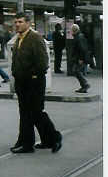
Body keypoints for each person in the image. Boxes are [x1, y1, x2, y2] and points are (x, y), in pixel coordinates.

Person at [10, 13, 61, 154]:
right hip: (21, 81)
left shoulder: (35, 38)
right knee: (25, 113)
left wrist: (32, 75)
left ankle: (52, 138)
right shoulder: (19, 38)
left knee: (35, 112)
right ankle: (29, 141)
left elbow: (43, 63)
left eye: (20, 22)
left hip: (33, 82)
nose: (17, 24)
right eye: (16, 22)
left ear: (28, 23)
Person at [68, 24, 91, 94]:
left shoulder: (79, 37)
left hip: (80, 58)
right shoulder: (78, 36)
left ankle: (85, 84)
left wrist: (81, 58)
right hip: (78, 58)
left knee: (76, 71)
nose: (70, 32)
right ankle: (84, 86)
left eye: (71, 30)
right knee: (76, 71)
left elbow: (82, 49)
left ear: (74, 30)